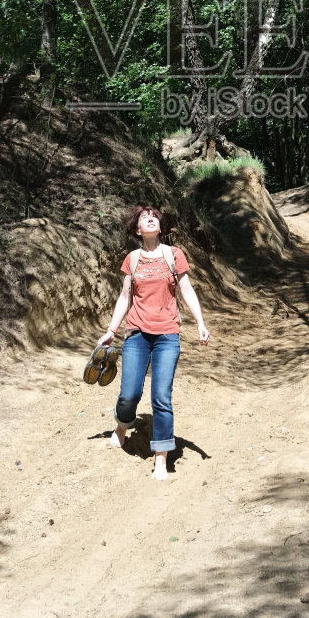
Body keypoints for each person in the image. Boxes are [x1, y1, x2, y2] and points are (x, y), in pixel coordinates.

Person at [95, 204, 210, 480]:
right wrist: (112, 329)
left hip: (167, 335)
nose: (150, 219)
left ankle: (161, 458)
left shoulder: (174, 255)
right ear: (138, 229)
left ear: (160, 226)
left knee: (161, 397)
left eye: (154, 217)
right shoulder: (132, 259)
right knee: (130, 393)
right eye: (144, 218)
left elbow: (186, 290)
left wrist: (201, 322)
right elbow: (125, 297)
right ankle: (123, 424)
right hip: (136, 334)